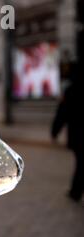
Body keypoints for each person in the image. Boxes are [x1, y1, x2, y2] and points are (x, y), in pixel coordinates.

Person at [52, 66, 84, 202]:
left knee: (81, 163)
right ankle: (75, 191)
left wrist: (55, 131)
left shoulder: (71, 90)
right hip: (78, 134)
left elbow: (62, 113)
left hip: (77, 134)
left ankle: (75, 192)